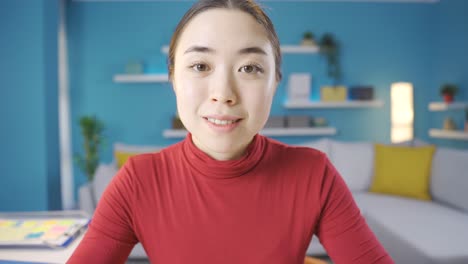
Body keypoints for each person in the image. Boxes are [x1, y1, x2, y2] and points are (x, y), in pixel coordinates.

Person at [68, 0, 394, 263]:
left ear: (274, 82)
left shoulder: (315, 174)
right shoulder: (137, 181)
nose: (223, 93)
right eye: (200, 66)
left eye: (249, 68)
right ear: (173, 79)